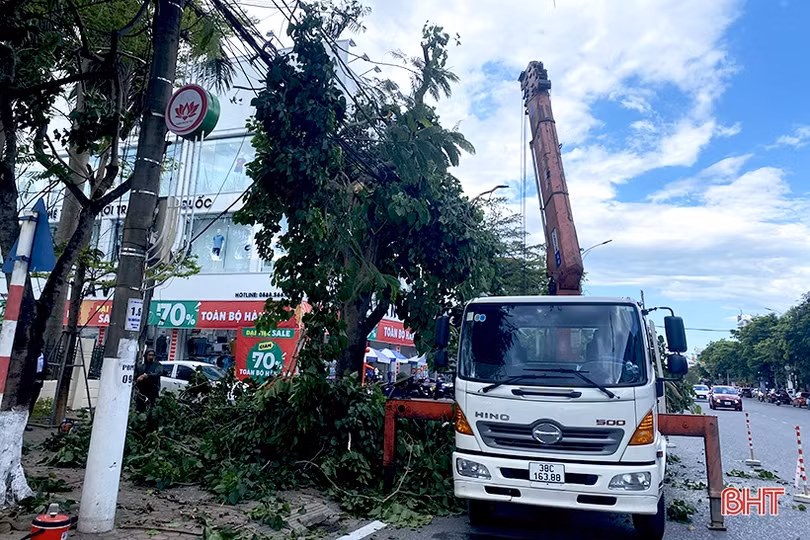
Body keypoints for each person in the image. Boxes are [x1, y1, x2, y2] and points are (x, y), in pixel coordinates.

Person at [28, 352, 48, 416]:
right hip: (29, 382)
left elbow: (45, 367)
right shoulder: (31, 355)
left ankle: (28, 419)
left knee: (32, 402)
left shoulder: (43, 356)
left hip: (38, 382)